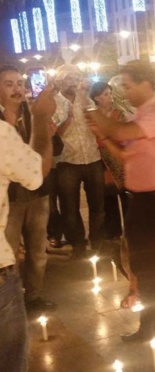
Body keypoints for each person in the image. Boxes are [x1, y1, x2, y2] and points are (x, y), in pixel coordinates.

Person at [85, 60, 155, 342]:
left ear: (145, 84)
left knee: (151, 265)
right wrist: (104, 138)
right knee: (144, 264)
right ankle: (152, 325)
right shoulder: (141, 114)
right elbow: (126, 155)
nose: (124, 92)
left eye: (127, 85)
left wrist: (89, 109)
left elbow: (122, 133)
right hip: (142, 199)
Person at [0, 84, 54, 372]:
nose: (17, 88)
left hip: (34, 198)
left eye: (19, 83)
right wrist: (42, 119)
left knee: (36, 247)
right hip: (14, 200)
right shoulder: (2, 132)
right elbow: (36, 170)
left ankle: (33, 294)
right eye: (8, 84)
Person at [54, 64, 105, 258]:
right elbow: (56, 133)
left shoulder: (86, 99)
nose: (74, 82)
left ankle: (98, 241)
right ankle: (77, 244)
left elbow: (97, 123)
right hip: (68, 160)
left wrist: (86, 102)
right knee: (69, 207)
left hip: (92, 157)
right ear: (60, 81)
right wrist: (68, 117)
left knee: (97, 205)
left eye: (76, 78)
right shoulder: (54, 102)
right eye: (69, 78)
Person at [89, 81, 127, 241]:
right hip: (101, 160)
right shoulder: (92, 116)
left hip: (118, 158)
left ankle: (133, 229)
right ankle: (113, 233)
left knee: (126, 196)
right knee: (109, 198)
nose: (110, 97)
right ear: (96, 98)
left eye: (110, 93)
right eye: (106, 94)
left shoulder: (119, 114)